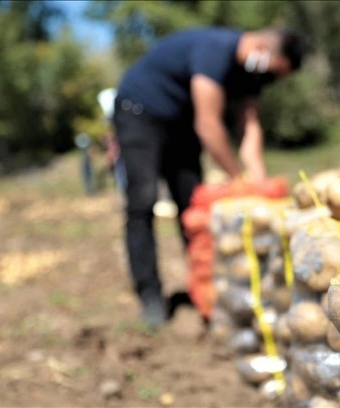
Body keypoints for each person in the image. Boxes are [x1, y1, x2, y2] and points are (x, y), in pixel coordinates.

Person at [112, 26, 308, 328]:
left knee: (192, 203)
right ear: (262, 47)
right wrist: (237, 178)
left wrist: (259, 183)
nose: (269, 80)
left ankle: (201, 287)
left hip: (180, 122)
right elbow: (207, 124)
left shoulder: (251, 75)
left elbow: (249, 127)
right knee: (143, 200)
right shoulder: (215, 50)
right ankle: (149, 295)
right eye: (272, 73)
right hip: (140, 112)